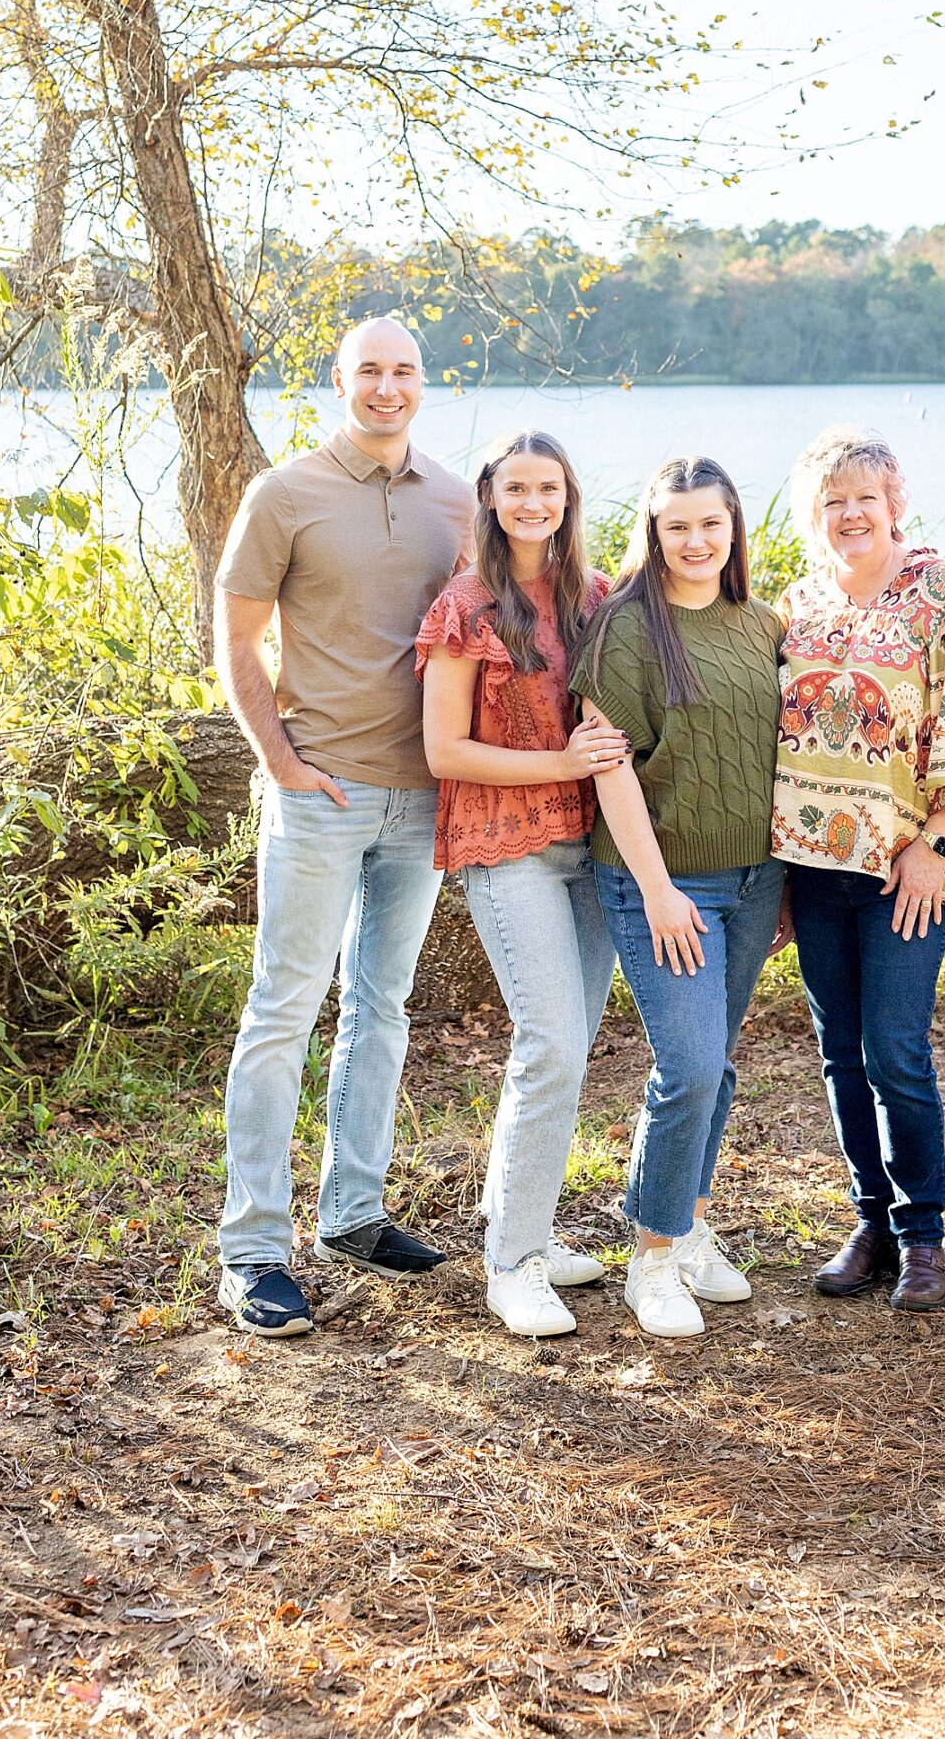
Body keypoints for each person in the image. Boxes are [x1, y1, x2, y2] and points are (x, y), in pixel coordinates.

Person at [212, 316, 473, 1336]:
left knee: (382, 1004)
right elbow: (233, 637)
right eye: (369, 370)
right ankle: (252, 1251)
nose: (388, 387)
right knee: (283, 1010)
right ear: (339, 381)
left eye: (405, 369)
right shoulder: (283, 495)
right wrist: (281, 762)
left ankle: (354, 1210)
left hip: (421, 800)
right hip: (319, 795)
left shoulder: (457, 499)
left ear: (424, 381)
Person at [773, 428, 945, 1313]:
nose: (849, 514)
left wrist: (935, 844)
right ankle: (867, 1222)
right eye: (831, 501)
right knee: (840, 1053)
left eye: (863, 497)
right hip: (812, 868)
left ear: (894, 502)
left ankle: (921, 1238)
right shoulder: (795, 604)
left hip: (907, 866)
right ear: (814, 515)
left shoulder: (942, 596)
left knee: (895, 1050)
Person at [417, 431, 629, 1340]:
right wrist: (560, 761)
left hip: (590, 847)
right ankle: (510, 1264)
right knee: (548, 1042)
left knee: (571, 1045)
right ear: (492, 499)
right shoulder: (468, 605)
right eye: (516, 489)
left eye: (548, 487)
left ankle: (526, 1224)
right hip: (506, 845)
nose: (533, 502)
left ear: (568, 496)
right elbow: (443, 750)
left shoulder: (594, 596)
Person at [570, 457, 785, 1341]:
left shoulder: (760, 622)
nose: (695, 542)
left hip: (754, 880)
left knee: (718, 1062)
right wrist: (657, 889)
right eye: (675, 526)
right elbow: (606, 763)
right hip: (660, 881)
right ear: (652, 535)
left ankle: (689, 1222)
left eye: (710, 524)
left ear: (733, 527)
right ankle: (651, 1257)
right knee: (688, 1065)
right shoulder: (626, 631)